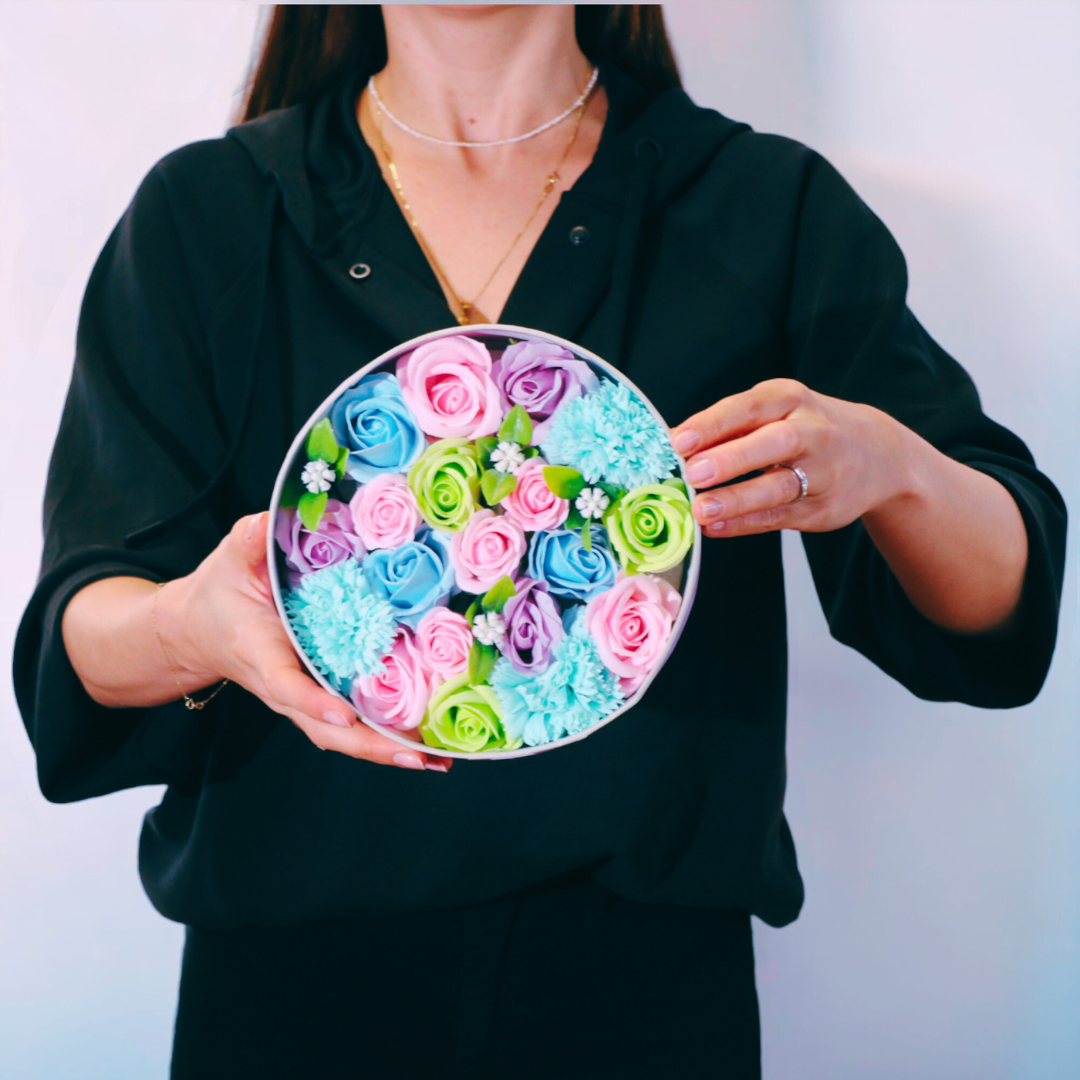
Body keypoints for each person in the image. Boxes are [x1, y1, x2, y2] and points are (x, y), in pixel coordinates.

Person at [14, 5, 1066, 1078]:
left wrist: (893, 465)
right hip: (289, 1001)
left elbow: (996, 613)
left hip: (648, 1005)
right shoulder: (207, 215)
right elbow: (80, 636)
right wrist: (191, 623)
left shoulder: (766, 208)